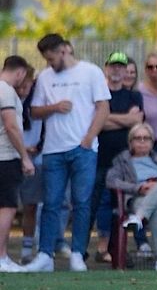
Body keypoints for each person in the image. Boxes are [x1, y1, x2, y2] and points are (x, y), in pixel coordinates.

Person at [24, 35, 110, 272]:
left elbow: (103, 107)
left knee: (81, 203)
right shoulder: (44, 77)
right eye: (46, 60)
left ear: (63, 50)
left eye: (51, 58)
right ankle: (45, 255)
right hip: (53, 150)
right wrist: (54, 107)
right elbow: (35, 111)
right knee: (51, 203)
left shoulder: (90, 72)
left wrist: (89, 138)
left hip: (83, 150)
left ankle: (77, 254)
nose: (50, 64)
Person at [106, 123, 157, 271]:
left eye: (146, 138)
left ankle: (138, 218)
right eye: (138, 138)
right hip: (139, 198)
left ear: (152, 142)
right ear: (131, 142)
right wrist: (138, 187)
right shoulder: (122, 161)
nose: (142, 141)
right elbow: (112, 181)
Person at [91, 51, 145, 264]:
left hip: (124, 161)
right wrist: (124, 119)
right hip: (99, 157)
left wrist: (106, 118)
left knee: (120, 206)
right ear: (106, 67)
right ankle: (90, 250)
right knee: (94, 204)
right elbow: (97, 123)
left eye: (120, 66)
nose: (116, 70)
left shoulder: (133, 96)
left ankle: (117, 251)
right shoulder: (99, 94)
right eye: (113, 66)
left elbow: (137, 121)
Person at [0, 56, 36, 272]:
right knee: (7, 207)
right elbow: (11, 126)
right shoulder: (6, 91)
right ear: (20, 72)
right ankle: (1, 256)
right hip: (5, 157)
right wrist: (24, 156)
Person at [16, 66, 42, 262]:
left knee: (30, 204)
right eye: (20, 86)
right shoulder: (8, 98)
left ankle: (27, 248)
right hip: (13, 155)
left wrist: (38, 146)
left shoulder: (38, 102)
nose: (22, 90)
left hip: (33, 155)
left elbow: (48, 127)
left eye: (26, 86)